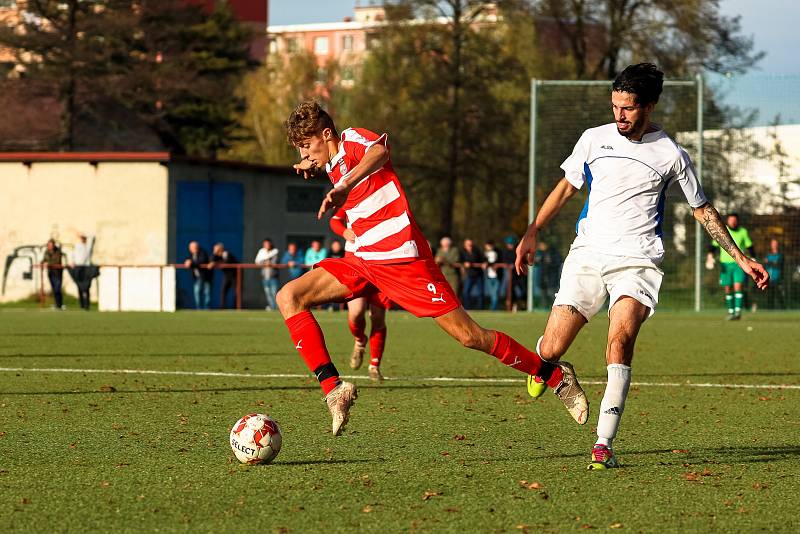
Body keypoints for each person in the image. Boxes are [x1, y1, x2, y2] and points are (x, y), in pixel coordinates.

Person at [515, 63, 769, 470]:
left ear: (649, 106)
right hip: (588, 255)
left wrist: (740, 257)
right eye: (615, 106)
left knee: (620, 341)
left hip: (637, 261)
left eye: (629, 108)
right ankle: (554, 369)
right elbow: (566, 186)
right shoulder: (593, 139)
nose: (620, 115)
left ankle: (603, 444)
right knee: (549, 348)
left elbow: (702, 210)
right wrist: (534, 230)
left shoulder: (671, 154)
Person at [279, 101, 587, 436]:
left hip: (403, 260)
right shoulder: (331, 160)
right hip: (364, 260)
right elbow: (331, 163)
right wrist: (313, 164)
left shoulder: (353, 139)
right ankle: (334, 390)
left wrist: (342, 185)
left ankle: (555, 376)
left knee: (471, 337)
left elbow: (380, 151)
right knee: (289, 297)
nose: (306, 153)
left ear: (327, 134)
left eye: (307, 146)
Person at [330, 207, 391, 382]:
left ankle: (374, 365)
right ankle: (359, 340)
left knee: (377, 317)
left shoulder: (383, 196)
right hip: (354, 261)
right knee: (356, 313)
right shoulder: (351, 196)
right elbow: (334, 220)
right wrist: (344, 231)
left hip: (382, 262)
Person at [706, 213, 755, 320]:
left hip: (739, 264)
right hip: (725, 264)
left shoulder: (743, 232)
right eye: (731, 220)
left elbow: (749, 246)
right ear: (727, 221)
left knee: (738, 286)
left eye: (735, 220)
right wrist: (710, 256)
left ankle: (737, 312)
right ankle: (731, 312)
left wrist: (753, 259)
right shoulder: (722, 231)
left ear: (737, 221)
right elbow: (713, 246)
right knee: (728, 288)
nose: (733, 222)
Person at [68, 232, 97, 310]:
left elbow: (92, 236)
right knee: (79, 287)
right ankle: (82, 305)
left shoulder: (88, 246)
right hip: (78, 267)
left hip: (86, 268)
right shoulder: (77, 246)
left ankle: (87, 305)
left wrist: (84, 235)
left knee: (87, 287)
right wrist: (72, 263)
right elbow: (73, 255)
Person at [499, 236, 525, 310]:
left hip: (516, 276)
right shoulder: (504, 252)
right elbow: (504, 261)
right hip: (507, 274)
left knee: (519, 293)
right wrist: (509, 265)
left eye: (511, 244)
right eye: (509, 244)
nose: (510, 245)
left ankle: (516, 305)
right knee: (503, 292)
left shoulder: (517, 251)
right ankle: (506, 305)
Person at [184, 241, 212, 310]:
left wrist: (191, 263)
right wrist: (187, 262)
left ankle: (206, 308)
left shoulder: (203, 252)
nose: (193, 249)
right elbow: (188, 261)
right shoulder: (191, 255)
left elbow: (201, 261)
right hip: (197, 277)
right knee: (197, 291)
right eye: (191, 248)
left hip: (206, 276)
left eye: (195, 247)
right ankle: (199, 308)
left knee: (207, 292)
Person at [255, 238, 280, 310]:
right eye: (265, 244)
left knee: (274, 293)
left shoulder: (275, 251)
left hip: (273, 276)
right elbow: (257, 262)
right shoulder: (261, 252)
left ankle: (276, 308)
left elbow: (274, 263)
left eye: (268, 244)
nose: (267, 245)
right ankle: (272, 307)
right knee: (268, 293)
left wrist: (266, 263)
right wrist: (266, 263)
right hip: (264, 277)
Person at [211, 242, 238, 309]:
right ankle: (222, 307)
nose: (215, 250)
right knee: (223, 291)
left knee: (236, 292)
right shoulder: (217, 256)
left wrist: (216, 263)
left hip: (235, 275)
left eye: (216, 249)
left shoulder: (226, 253)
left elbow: (227, 262)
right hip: (227, 276)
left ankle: (237, 307)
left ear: (220, 249)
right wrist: (214, 253)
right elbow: (211, 260)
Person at [460, 238, 485, 309]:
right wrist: (464, 264)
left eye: (471, 244)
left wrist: (484, 264)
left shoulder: (477, 251)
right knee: (466, 293)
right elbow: (459, 260)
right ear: (465, 245)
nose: (470, 245)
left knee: (481, 293)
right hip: (469, 275)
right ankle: (467, 308)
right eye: (468, 244)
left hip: (478, 275)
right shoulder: (462, 252)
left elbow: (483, 259)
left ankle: (481, 309)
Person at [42, 239, 64, 310]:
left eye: (51, 245)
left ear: (54, 245)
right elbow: (44, 260)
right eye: (49, 245)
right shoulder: (46, 252)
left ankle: (60, 304)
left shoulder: (58, 251)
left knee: (58, 289)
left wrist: (48, 263)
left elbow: (57, 261)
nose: (50, 246)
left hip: (57, 273)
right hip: (50, 273)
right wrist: (42, 263)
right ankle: (57, 304)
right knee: (54, 289)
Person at [764, 238, 786, 309]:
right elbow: (765, 264)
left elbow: (779, 264)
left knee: (779, 296)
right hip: (769, 279)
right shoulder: (768, 255)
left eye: (775, 244)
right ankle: (769, 311)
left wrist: (770, 262)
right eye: (773, 244)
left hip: (778, 279)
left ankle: (783, 311)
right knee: (770, 297)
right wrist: (773, 263)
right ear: (771, 245)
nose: (774, 245)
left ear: (778, 245)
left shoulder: (781, 255)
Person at [483, 240, 501, 310]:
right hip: (489, 277)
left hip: (496, 277)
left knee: (494, 294)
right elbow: (484, 261)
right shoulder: (485, 254)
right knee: (493, 295)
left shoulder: (496, 253)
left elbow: (495, 262)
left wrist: (488, 264)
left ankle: (492, 309)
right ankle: (495, 308)